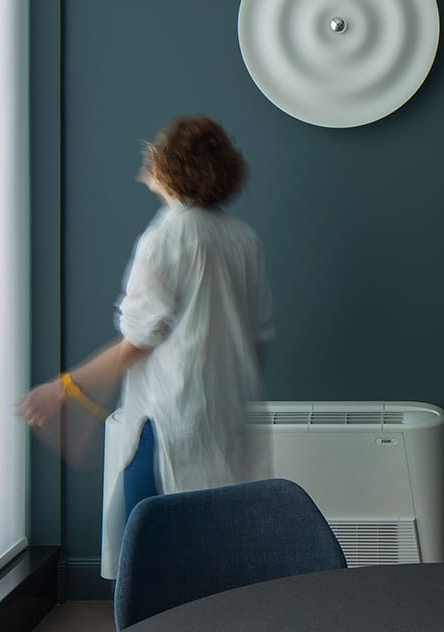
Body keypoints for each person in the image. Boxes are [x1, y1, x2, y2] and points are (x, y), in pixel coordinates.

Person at [19, 115, 274, 579]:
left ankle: (148, 627)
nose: (149, 155)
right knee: (213, 551)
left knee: (146, 558)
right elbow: (257, 337)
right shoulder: (243, 239)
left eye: (157, 149)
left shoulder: (166, 238)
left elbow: (136, 343)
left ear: (172, 165)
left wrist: (61, 388)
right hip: (227, 418)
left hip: (171, 420)